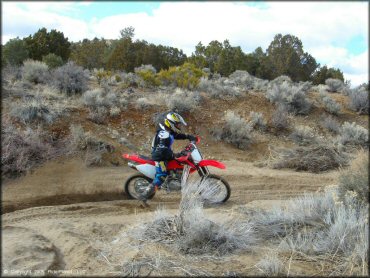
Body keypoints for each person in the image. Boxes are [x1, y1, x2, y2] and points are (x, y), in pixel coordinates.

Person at [141, 111, 197, 202]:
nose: (179, 126)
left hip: (164, 154)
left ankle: (174, 179)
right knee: (161, 176)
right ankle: (144, 196)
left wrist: (188, 136)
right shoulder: (164, 134)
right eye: (177, 124)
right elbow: (161, 150)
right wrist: (172, 155)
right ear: (171, 123)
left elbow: (176, 135)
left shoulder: (168, 130)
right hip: (160, 157)